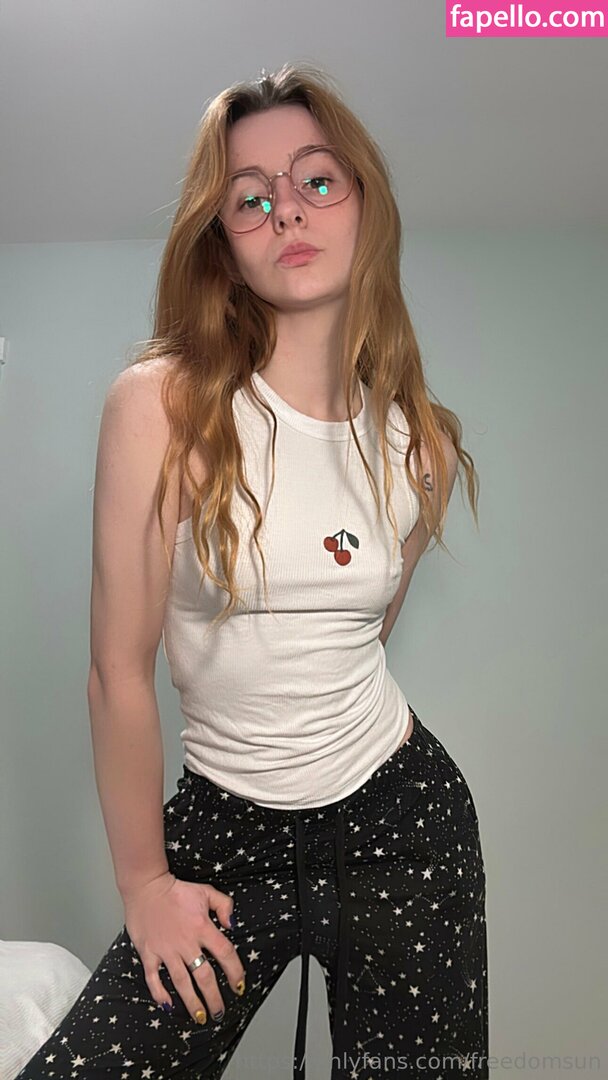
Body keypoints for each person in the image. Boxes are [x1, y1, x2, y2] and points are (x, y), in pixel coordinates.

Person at [16, 62, 488, 1079]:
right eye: (251, 198)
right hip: (225, 827)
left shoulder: (422, 446)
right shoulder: (163, 406)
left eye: (318, 180)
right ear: (222, 242)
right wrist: (144, 885)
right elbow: (117, 671)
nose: (289, 212)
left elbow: (359, 633)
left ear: (364, 205)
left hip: (403, 823)